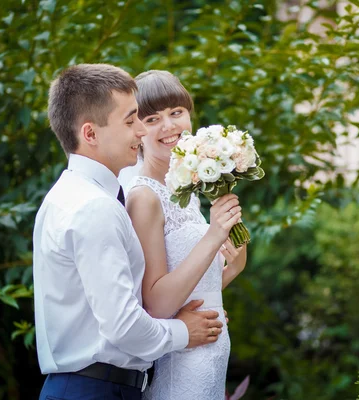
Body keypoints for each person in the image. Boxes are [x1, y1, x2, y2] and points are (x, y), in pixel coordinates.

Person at [33, 64, 225, 400]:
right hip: (94, 389)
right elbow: (123, 325)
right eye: (130, 120)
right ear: (90, 134)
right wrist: (184, 331)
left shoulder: (73, 195)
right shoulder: (94, 207)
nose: (140, 131)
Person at [124, 70, 248, 400]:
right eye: (152, 118)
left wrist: (229, 272)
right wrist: (213, 235)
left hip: (210, 356)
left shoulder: (187, 191)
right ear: (137, 131)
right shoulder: (144, 198)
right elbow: (157, 304)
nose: (169, 126)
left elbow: (190, 288)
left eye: (176, 112)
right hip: (180, 366)